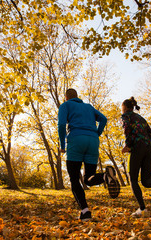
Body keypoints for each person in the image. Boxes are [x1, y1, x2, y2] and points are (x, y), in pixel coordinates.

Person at [58, 88, 120, 221]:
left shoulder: (66, 105)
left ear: (66, 97)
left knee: (75, 179)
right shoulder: (89, 107)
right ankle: (105, 176)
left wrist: (62, 146)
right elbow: (103, 119)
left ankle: (85, 212)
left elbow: (62, 124)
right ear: (77, 96)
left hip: (76, 140)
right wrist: (96, 133)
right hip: (93, 141)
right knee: (88, 178)